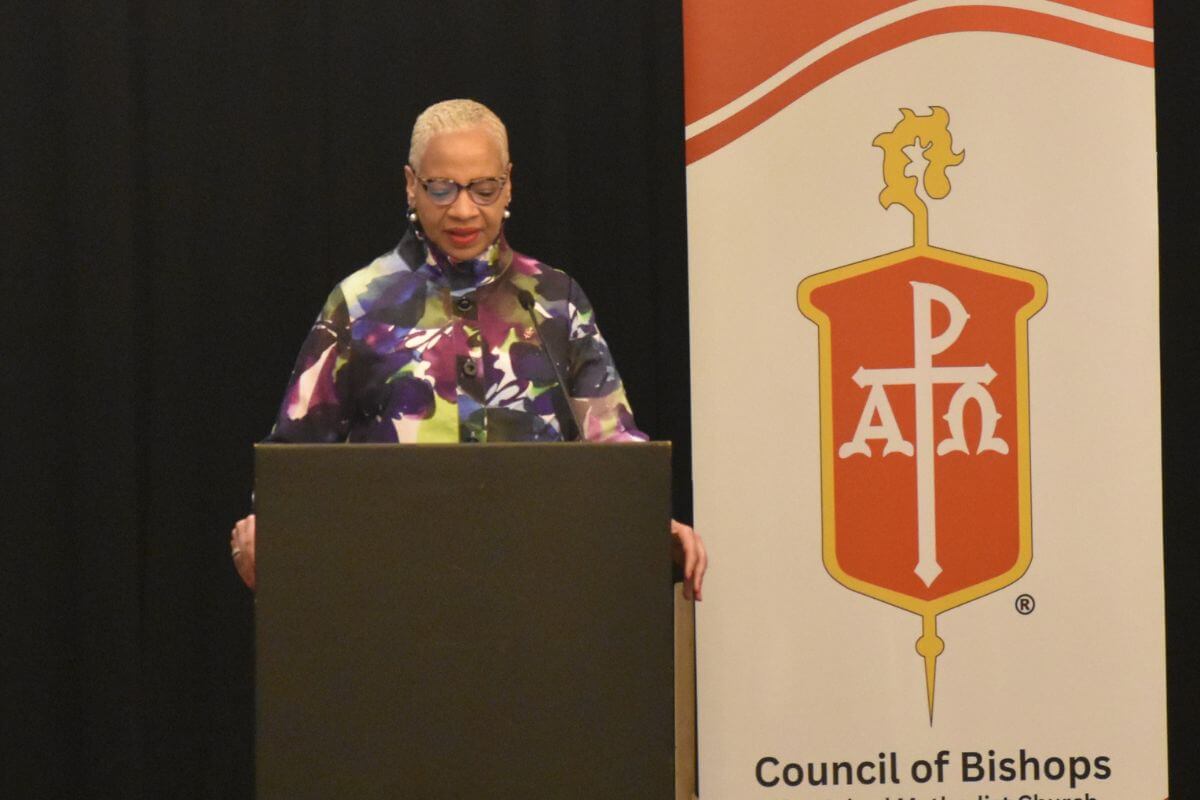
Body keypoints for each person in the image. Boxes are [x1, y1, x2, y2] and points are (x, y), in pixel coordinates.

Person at [230, 99, 706, 599]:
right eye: (441, 188)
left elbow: (613, 445)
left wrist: (655, 522)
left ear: (509, 185)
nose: (463, 210)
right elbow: (295, 463)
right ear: (411, 185)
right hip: (392, 588)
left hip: (538, 586)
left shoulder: (554, 300)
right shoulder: (361, 303)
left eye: (484, 189)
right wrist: (266, 528)